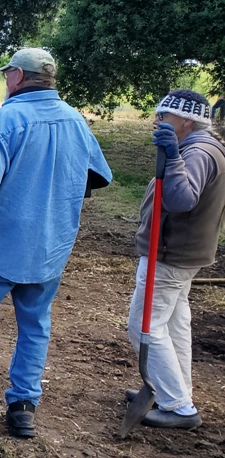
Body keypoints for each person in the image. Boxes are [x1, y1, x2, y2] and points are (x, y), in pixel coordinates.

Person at [0, 48, 112, 438]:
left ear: (16, 76)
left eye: (7, 73)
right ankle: (23, 410)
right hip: (50, 248)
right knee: (35, 326)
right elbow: (97, 177)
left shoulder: (7, 119)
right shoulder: (75, 119)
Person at [126, 90, 225, 430]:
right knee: (174, 323)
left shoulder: (197, 152)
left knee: (143, 326)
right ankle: (175, 389)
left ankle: (178, 405)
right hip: (183, 253)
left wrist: (172, 157)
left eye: (164, 116)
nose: (157, 122)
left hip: (171, 254)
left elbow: (182, 200)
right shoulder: (203, 147)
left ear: (186, 120)